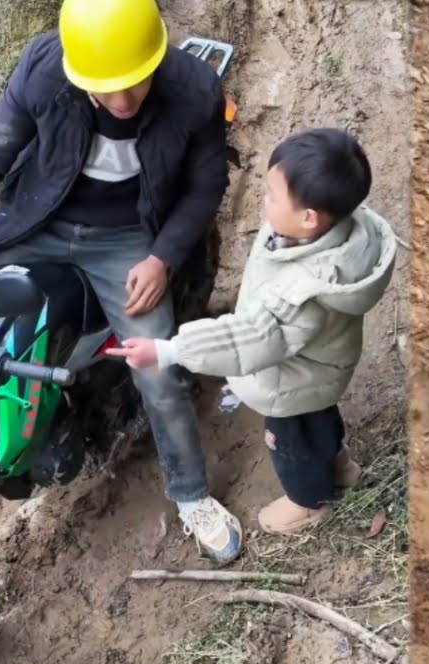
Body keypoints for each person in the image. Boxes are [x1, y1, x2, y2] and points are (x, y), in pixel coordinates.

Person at [0, 0, 244, 563]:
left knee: (156, 367)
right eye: (106, 88)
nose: (122, 102)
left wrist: (162, 258)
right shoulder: (45, 69)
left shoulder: (194, 90)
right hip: (42, 220)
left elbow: (205, 187)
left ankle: (191, 494)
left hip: (129, 236)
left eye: (134, 82)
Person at [107, 128, 398, 536]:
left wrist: (169, 350)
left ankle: (308, 504)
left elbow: (245, 340)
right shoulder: (345, 230)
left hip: (289, 384)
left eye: (272, 196)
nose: (264, 201)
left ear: (308, 218)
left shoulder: (297, 297)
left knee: (291, 443)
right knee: (320, 421)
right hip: (321, 371)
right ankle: (340, 467)